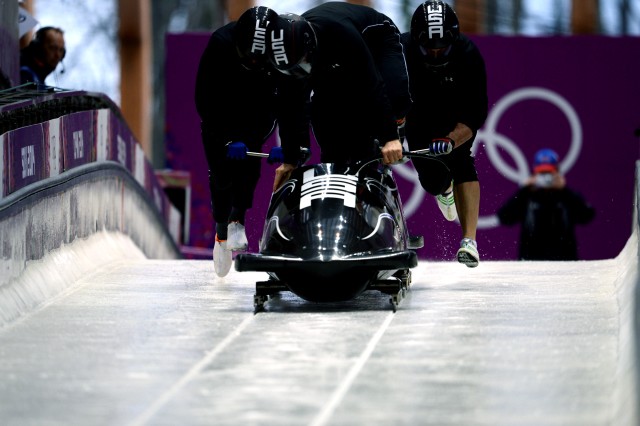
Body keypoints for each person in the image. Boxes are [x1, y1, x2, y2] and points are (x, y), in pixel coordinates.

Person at [268, 2, 412, 192]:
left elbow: (372, 85)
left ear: (309, 45)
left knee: (392, 94)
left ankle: (398, 125)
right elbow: (290, 107)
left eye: (300, 65)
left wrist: (390, 137)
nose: (298, 72)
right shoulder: (287, 60)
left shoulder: (339, 32)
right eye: (292, 69)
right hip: (330, 57)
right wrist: (290, 159)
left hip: (375, 42)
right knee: (327, 119)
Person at [194, 6, 284, 277]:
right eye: (250, 58)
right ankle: (221, 233)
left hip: (253, 113)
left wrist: (280, 141)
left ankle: (237, 221)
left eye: (261, 60)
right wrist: (227, 137)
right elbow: (205, 100)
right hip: (220, 114)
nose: (255, 63)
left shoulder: (278, 49)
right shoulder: (220, 44)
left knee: (249, 171)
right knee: (222, 177)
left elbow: (281, 102)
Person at [400, 1, 488, 268]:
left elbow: (475, 114)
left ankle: (469, 242)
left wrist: (452, 139)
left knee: (461, 162)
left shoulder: (469, 54)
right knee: (432, 181)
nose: (436, 55)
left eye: (443, 49)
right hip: (416, 117)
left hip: (454, 116)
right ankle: (444, 190)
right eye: (429, 49)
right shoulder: (400, 50)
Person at [497, 148, 596, 261]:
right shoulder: (527, 196)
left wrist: (565, 191)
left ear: (557, 172)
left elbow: (587, 216)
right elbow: (503, 217)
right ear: (534, 173)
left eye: (549, 173)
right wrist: (524, 190)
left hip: (565, 263)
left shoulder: (566, 196)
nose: (546, 178)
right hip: (531, 264)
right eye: (542, 173)